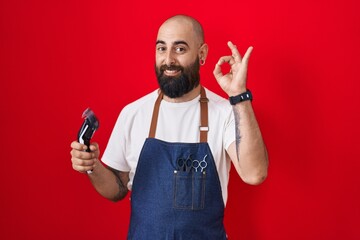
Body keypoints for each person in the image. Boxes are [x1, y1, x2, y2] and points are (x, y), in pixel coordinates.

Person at [70, 14, 268, 239]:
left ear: (201, 54)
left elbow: (255, 174)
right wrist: (92, 166)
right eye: (161, 48)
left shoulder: (225, 112)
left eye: (180, 49)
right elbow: (117, 188)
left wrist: (239, 96)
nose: (168, 59)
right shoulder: (133, 113)